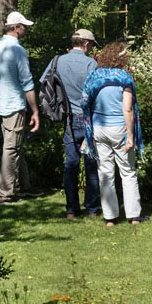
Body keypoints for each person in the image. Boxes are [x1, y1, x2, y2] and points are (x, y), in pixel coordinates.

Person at [80, 41, 148, 226]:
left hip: (99, 128)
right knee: (128, 172)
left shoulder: (94, 76)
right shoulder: (124, 77)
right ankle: (134, 216)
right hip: (119, 128)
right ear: (121, 58)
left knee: (105, 173)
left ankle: (110, 218)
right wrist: (130, 136)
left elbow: (84, 102)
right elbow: (127, 108)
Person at [40, 29, 100, 220]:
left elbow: (44, 83)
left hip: (68, 119)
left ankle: (71, 209)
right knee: (91, 164)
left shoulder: (58, 61)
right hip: (88, 118)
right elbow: (95, 92)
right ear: (86, 43)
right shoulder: (91, 63)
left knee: (71, 164)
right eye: (91, 45)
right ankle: (92, 208)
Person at [0, 11, 40, 205]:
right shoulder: (18, 50)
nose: (26, 29)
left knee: (16, 146)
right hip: (14, 105)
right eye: (24, 26)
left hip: (1, 104)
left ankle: (23, 186)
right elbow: (27, 82)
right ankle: (5, 193)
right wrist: (35, 111)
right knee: (11, 149)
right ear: (16, 28)